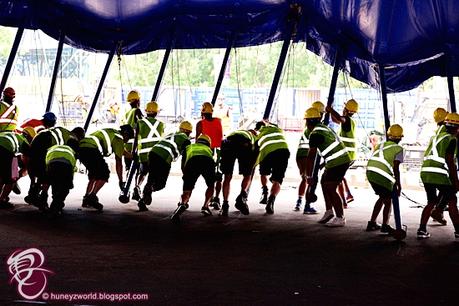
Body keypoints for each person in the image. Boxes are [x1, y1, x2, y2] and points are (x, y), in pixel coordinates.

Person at [305, 107, 351, 227]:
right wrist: (322, 165)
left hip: (338, 162)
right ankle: (329, 211)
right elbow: (330, 147)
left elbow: (311, 157)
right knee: (324, 182)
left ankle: (340, 217)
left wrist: (308, 176)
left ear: (308, 121)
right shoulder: (324, 128)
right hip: (336, 161)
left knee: (330, 187)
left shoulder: (315, 134)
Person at [417, 112, 459, 240]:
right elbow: (449, 160)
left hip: (426, 172)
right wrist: (455, 180)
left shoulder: (435, 137)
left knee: (431, 202)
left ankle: (422, 230)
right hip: (438, 173)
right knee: (452, 201)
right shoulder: (451, 139)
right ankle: (458, 231)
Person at [25, 126, 85, 209]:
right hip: (46, 143)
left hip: (37, 140)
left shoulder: (62, 132)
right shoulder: (72, 138)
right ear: (79, 136)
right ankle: (42, 198)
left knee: (41, 170)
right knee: (50, 171)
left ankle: (35, 194)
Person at [138, 121, 192, 211]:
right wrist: (185, 172)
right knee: (160, 184)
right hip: (164, 157)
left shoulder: (171, 134)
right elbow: (184, 159)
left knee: (151, 178)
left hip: (153, 153)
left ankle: (143, 200)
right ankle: (149, 190)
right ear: (189, 132)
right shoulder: (186, 140)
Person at [79, 125, 134, 211]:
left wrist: (132, 156)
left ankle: (86, 198)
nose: (127, 141)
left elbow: (122, 151)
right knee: (104, 174)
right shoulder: (119, 139)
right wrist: (121, 181)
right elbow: (118, 162)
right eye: (128, 138)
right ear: (125, 134)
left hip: (81, 148)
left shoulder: (112, 132)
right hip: (92, 149)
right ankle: (92, 197)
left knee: (94, 175)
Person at [365, 124, 404, 234]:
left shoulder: (381, 145)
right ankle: (385, 226)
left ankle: (372, 223)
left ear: (389, 135)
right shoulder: (399, 149)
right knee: (388, 201)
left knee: (382, 198)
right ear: (401, 137)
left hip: (370, 172)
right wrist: (398, 185)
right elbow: (396, 168)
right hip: (381, 174)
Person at [170, 134, 215, 222]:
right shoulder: (209, 149)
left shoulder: (189, 147)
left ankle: (182, 204)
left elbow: (183, 164)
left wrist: (186, 176)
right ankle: (205, 206)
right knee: (210, 186)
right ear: (208, 143)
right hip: (208, 161)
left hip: (192, 161)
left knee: (187, 189)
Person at [326, 99, 358, 207]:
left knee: (337, 176)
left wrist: (331, 109)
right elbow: (336, 120)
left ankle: (347, 196)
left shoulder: (347, 120)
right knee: (339, 176)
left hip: (346, 154)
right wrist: (331, 111)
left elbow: (339, 118)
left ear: (346, 109)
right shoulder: (350, 121)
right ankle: (346, 197)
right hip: (349, 154)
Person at [294, 101, 324, 214]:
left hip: (300, 154)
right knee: (311, 179)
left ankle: (299, 202)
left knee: (304, 178)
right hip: (308, 155)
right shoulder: (316, 129)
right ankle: (307, 205)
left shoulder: (308, 128)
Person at [219, 128, 257, 216]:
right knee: (247, 175)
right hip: (244, 144)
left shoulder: (235, 131)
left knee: (227, 177)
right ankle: (241, 196)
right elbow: (255, 152)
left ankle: (225, 205)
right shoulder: (253, 137)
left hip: (228, 143)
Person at [132, 101, 165, 201]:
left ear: (146, 111)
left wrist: (134, 151)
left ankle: (137, 187)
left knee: (142, 173)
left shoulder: (140, 123)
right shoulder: (161, 124)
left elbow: (136, 139)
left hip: (143, 154)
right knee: (153, 176)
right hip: (155, 155)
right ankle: (147, 192)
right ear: (156, 112)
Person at [255, 121, 290, 214]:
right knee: (277, 179)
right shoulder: (276, 129)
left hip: (267, 151)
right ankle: (271, 201)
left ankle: (265, 191)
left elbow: (254, 149)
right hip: (283, 151)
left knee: (263, 173)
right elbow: (273, 124)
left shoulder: (258, 133)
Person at [196, 102, 223, 210]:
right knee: (219, 177)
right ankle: (216, 199)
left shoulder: (200, 123)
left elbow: (197, 140)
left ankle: (208, 200)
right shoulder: (218, 121)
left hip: (208, 152)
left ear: (202, 111)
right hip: (219, 152)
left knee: (210, 179)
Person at [45, 139, 79, 215]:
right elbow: (72, 168)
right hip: (66, 167)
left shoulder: (53, 147)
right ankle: (56, 205)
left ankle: (55, 203)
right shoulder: (72, 152)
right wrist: (70, 182)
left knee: (55, 186)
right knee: (65, 188)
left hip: (52, 165)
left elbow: (47, 161)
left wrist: (48, 174)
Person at [0, 130, 32, 208]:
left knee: (0, 177)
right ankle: (1, 201)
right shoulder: (25, 143)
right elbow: (27, 163)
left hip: (4, 148)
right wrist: (18, 176)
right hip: (5, 150)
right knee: (11, 179)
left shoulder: (11, 134)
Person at [429, 107, 448, 225]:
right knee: (450, 191)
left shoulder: (438, 130)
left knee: (443, 191)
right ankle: (439, 210)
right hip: (442, 165)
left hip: (435, 166)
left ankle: (438, 211)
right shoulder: (446, 129)